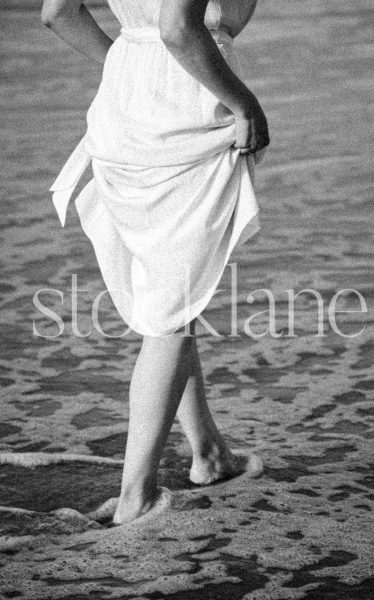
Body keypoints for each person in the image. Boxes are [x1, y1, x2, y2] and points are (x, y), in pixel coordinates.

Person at [41, 0, 270, 525]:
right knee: (171, 308)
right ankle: (134, 496)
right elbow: (177, 28)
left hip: (127, 98)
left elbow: (57, 11)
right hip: (185, 107)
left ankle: (208, 452)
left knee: (172, 294)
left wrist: (125, 59)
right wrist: (246, 105)